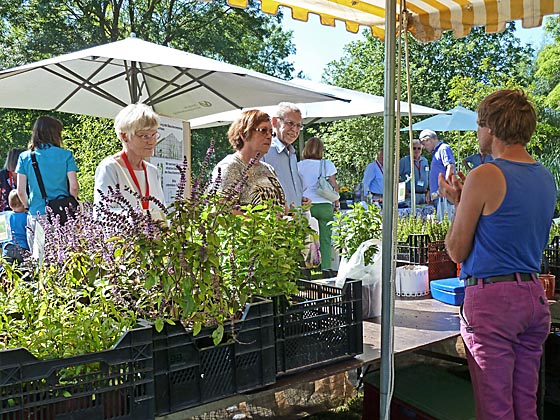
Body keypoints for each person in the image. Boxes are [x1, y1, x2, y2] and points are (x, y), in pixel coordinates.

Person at [438, 89, 556, 420]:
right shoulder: (545, 177)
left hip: (494, 302)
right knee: (524, 407)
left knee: (495, 411)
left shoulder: (485, 174)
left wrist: (458, 203)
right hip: (533, 295)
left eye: (478, 125)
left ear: (490, 127)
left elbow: (456, 248)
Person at [94, 103, 165, 220]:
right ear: (124, 136)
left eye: (154, 135)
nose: (152, 141)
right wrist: (139, 219)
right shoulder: (110, 168)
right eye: (145, 136)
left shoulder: (153, 171)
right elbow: (102, 214)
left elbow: (162, 210)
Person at [16, 116, 79, 245]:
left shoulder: (25, 157)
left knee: (39, 259)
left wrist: (28, 206)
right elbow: (74, 187)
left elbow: (21, 191)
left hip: (37, 213)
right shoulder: (66, 155)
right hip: (63, 213)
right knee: (67, 257)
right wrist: (72, 205)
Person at [211, 109, 286, 209]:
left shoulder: (269, 169)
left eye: (271, 132)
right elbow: (222, 212)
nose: (269, 136)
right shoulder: (230, 167)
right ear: (243, 134)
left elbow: (282, 207)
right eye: (263, 130)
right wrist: (262, 221)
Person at [297, 137, 339, 277]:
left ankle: (305, 271)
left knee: (305, 240)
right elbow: (334, 186)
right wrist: (336, 202)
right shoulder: (327, 164)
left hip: (306, 205)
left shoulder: (299, 165)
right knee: (325, 240)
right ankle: (325, 270)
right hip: (325, 205)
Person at [262, 102, 309, 208]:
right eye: (290, 123)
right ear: (274, 122)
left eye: (298, 125)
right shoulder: (265, 151)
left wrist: (300, 199)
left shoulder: (291, 154)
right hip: (277, 221)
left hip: (295, 220)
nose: (295, 130)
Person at [419, 129, 455, 219]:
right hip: (438, 195)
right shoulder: (436, 152)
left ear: (429, 139)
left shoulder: (443, 148)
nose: (424, 147)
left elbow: (450, 167)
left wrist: (444, 187)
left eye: (424, 144)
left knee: (446, 222)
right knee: (440, 221)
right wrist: (429, 190)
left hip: (444, 195)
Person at [2, 190, 30, 263]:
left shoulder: (6, 216)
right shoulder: (27, 217)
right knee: (25, 270)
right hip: (23, 248)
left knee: (6, 271)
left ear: (10, 205)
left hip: (8, 247)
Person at [399, 140, 429, 205]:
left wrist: (429, 190)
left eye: (419, 148)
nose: (416, 150)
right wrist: (403, 189)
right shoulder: (404, 161)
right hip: (410, 195)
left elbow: (428, 177)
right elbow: (395, 177)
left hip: (423, 195)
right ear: (410, 149)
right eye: (414, 148)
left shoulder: (425, 161)